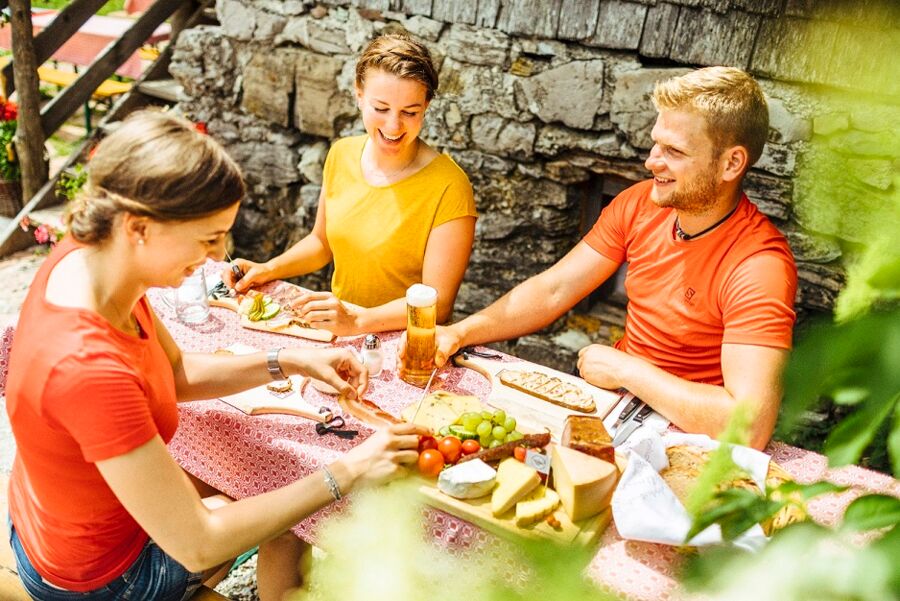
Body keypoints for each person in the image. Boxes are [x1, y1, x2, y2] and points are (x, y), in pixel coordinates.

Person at [5, 110, 425, 601]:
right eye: (208, 238)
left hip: (52, 527)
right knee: (291, 515)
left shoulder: (93, 259)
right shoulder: (89, 369)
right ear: (139, 227)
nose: (218, 254)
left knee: (254, 483)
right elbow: (198, 544)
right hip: (104, 579)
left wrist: (290, 359)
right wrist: (352, 469)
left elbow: (178, 372)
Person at [420, 67, 797, 450]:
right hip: (614, 406)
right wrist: (460, 331)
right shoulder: (640, 202)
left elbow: (749, 429)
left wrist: (626, 369)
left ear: (731, 163)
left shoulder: (759, 265)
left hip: (688, 439)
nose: (652, 162)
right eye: (656, 144)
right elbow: (554, 289)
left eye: (674, 151)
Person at [225, 33, 477, 336]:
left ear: (427, 105)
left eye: (410, 112)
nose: (393, 126)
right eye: (380, 108)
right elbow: (321, 243)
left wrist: (358, 321)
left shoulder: (449, 186)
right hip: (342, 333)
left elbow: (439, 303)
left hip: (408, 346)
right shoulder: (341, 153)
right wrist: (268, 269)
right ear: (359, 95)